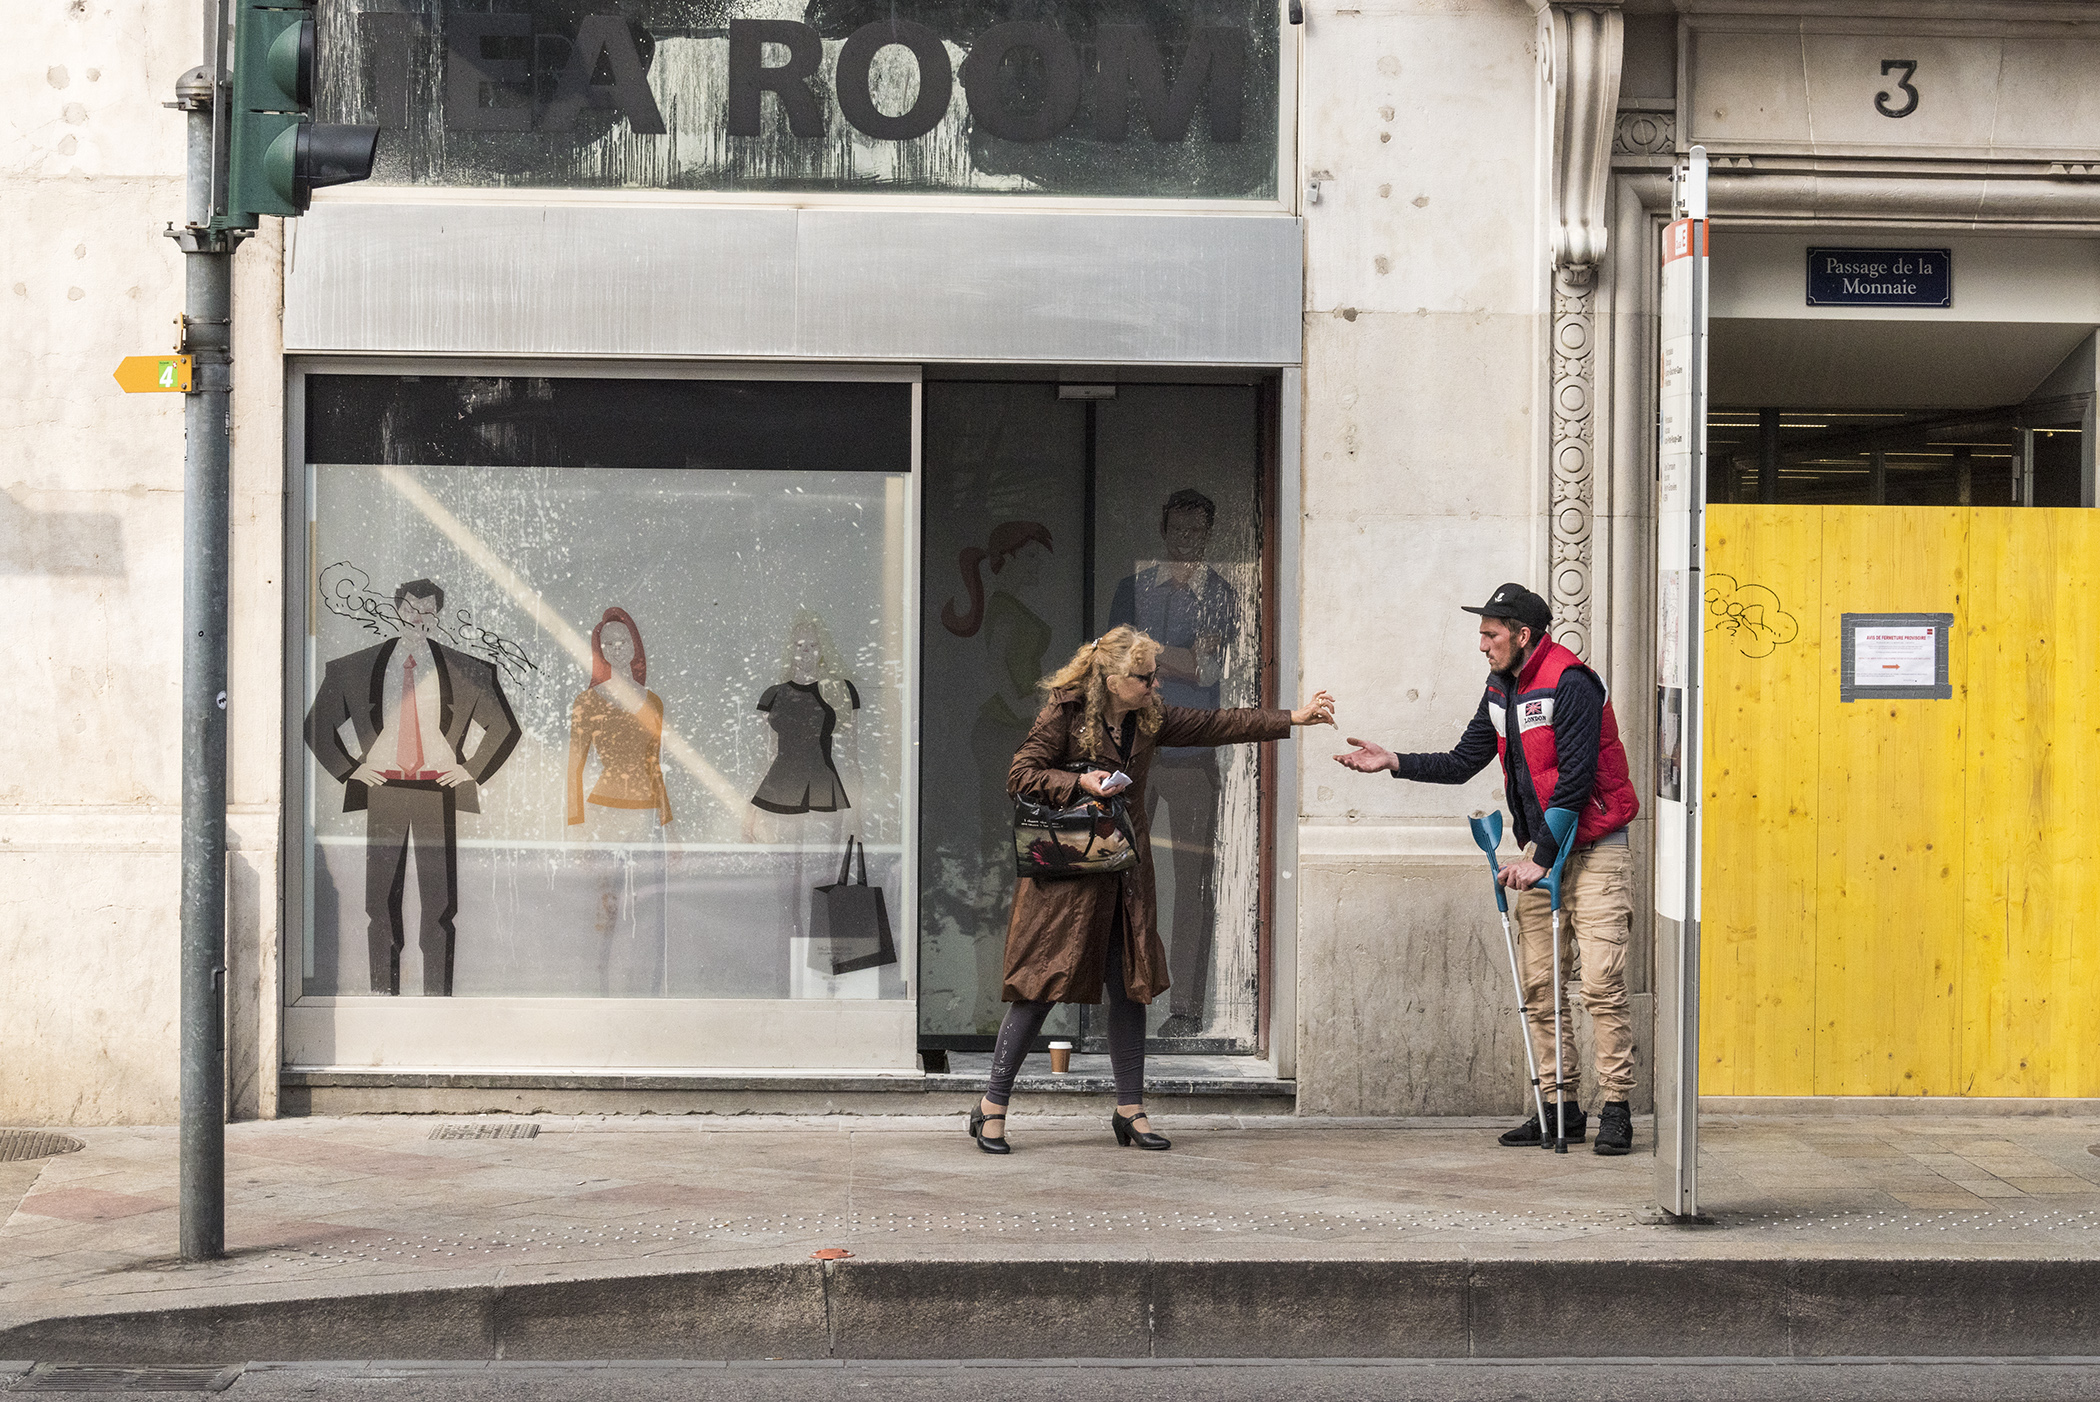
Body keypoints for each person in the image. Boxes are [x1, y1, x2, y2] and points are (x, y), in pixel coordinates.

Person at [969, 625, 1336, 1153]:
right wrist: (1081, 783)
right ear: (1114, 680)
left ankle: (1130, 1109)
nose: (1155, 684)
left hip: (1124, 872)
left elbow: (1216, 723)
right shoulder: (1066, 712)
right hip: (1068, 873)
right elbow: (1021, 774)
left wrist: (1293, 718)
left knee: (1129, 984)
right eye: (1145, 677)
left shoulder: (1150, 717)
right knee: (1039, 984)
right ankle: (991, 1108)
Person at [1332, 583, 1640, 1156]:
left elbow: (1573, 781)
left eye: (1491, 634)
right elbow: (1462, 760)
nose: (1482, 645)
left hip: (1593, 851)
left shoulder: (1571, 683)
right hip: (1539, 854)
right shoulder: (1501, 688)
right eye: (1481, 633)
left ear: (1524, 635)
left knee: (1601, 983)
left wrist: (1537, 860)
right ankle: (1560, 1108)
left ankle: (1617, 1105)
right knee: (1541, 988)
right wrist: (1394, 761)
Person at [304, 578, 521, 996]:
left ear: (437, 618)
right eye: (411, 609)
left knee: (439, 906)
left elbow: (504, 727)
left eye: (428, 612)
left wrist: (472, 769)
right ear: (396, 609)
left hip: (437, 792)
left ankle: (438, 999)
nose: (418, 619)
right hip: (383, 790)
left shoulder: (465, 670)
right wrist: (350, 769)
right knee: (380, 904)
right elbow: (317, 725)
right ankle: (383, 996)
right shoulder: (358, 667)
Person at [1107, 489, 1241, 1037]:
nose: (1186, 542)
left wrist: (1150, 651)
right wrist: (1173, 655)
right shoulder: (1131, 588)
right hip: (1135, 754)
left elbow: (1206, 670)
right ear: (1164, 532)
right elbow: (1113, 663)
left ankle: (1184, 1009)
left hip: (1190, 755)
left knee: (1193, 884)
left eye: (1196, 533)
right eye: (1178, 531)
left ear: (1207, 536)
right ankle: (1125, 1000)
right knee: (1123, 878)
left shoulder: (1221, 593)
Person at [567, 607, 673, 996]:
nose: (614, 648)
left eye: (621, 640)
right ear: (600, 649)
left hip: (645, 817)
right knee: (606, 909)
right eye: (606, 643)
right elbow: (574, 769)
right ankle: (600, 993)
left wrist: (670, 829)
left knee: (643, 910)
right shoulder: (588, 701)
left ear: (634, 645)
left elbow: (655, 765)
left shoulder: (653, 702)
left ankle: (642, 995)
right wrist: (578, 832)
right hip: (604, 815)